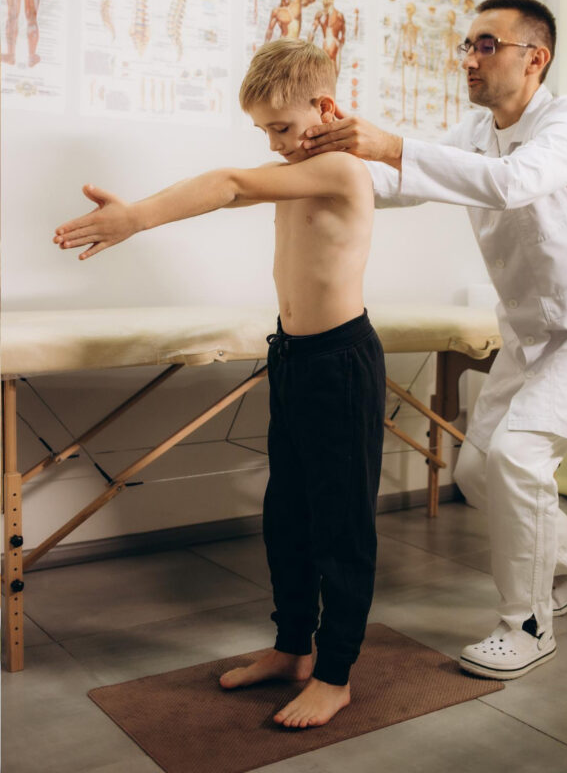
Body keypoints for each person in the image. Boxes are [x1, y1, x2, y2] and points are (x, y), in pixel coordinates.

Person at [300, 0, 567, 680]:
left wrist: (392, 144)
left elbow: (513, 183)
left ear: (535, 58)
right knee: (476, 471)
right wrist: (316, 155)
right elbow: (400, 182)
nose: (469, 59)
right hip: (530, 335)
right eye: (467, 45)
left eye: (486, 44)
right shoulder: (476, 130)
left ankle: (526, 625)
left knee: (515, 458)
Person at [53, 39, 385, 726]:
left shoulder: (342, 169)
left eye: (282, 127)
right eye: (264, 131)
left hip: (339, 364)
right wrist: (149, 207)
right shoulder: (298, 170)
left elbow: (230, 183)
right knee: (286, 518)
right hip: (293, 358)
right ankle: (292, 649)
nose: (275, 143)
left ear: (325, 107)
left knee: (340, 526)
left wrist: (134, 218)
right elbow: (225, 190)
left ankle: (334, 673)